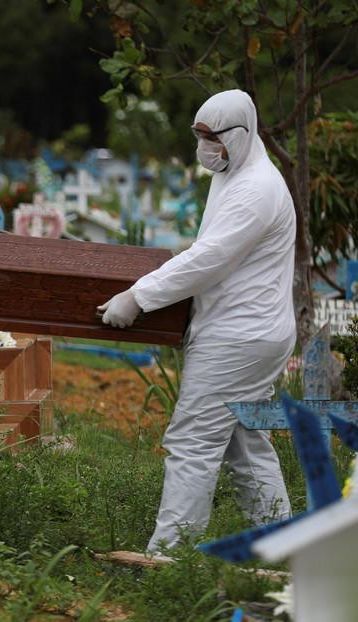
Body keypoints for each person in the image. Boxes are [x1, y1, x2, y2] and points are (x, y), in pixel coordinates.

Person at [97, 89, 295, 553]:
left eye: (214, 137)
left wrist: (138, 296)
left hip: (239, 337)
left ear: (242, 135)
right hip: (251, 331)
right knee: (246, 445)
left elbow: (210, 259)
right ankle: (283, 546)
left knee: (193, 442)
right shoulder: (233, 173)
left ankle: (169, 555)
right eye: (199, 136)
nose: (206, 147)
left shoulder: (256, 188)